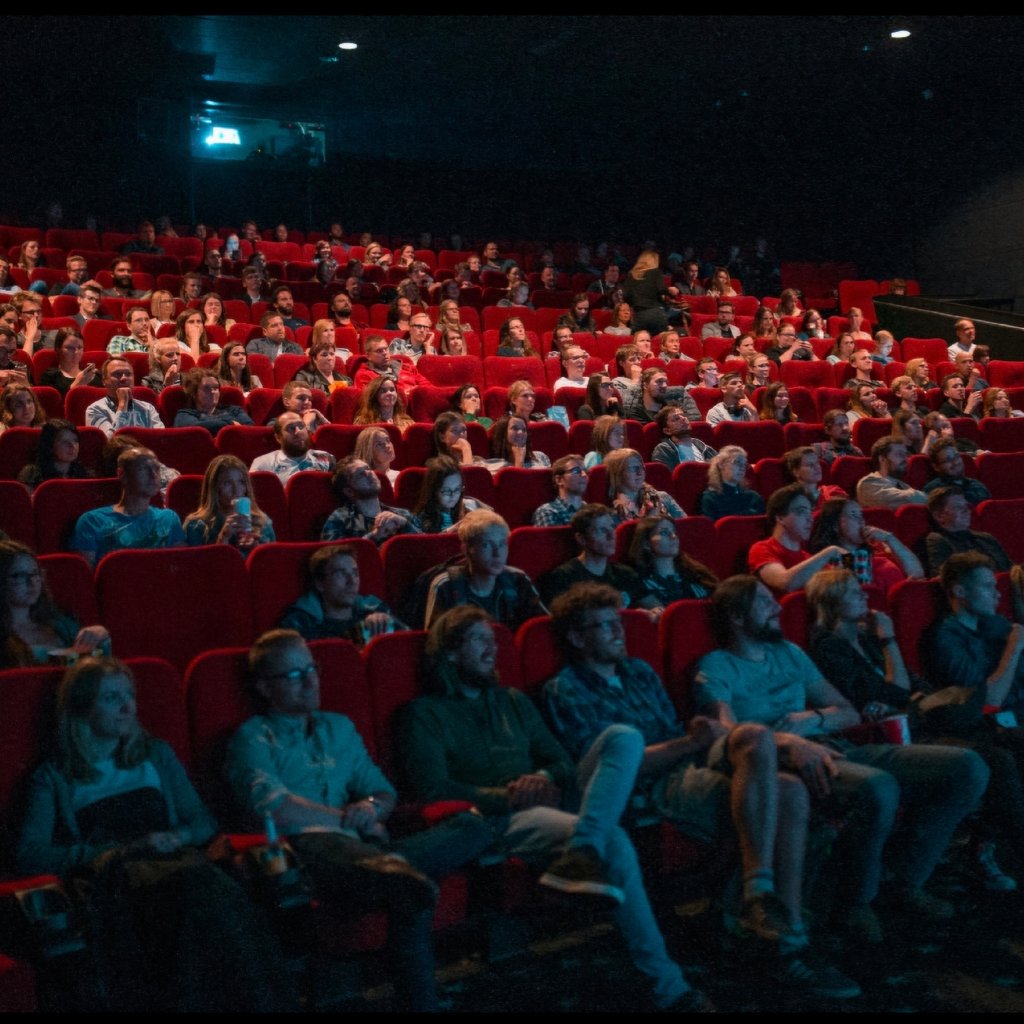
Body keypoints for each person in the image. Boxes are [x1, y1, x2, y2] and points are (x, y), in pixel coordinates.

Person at [542, 583, 861, 999]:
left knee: (756, 738)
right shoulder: (565, 689)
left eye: (617, 622)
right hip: (651, 784)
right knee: (791, 794)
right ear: (576, 637)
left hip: (688, 762)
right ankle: (787, 942)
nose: (618, 632)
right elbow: (611, 770)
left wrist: (696, 742)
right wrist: (690, 743)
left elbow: (681, 736)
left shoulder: (638, 672)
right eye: (603, 626)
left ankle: (758, 896)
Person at [398, 605, 712, 1011]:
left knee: (624, 737)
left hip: (554, 797)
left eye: (493, 639)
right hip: (500, 817)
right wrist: (507, 795)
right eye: (479, 640)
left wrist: (543, 779)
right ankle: (671, 989)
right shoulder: (423, 714)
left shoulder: (511, 699)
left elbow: (562, 762)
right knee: (613, 839)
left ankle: (582, 850)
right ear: (450, 652)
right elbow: (434, 787)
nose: (492, 648)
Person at [694, 575, 989, 941]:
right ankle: (856, 904)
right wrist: (787, 740)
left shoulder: (791, 653)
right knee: (878, 788)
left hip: (836, 742)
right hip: (787, 762)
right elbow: (728, 733)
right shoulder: (717, 665)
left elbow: (847, 712)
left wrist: (812, 718)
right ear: (737, 617)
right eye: (764, 602)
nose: (777, 607)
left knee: (966, 767)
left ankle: (902, 878)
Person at [226, 630, 491, 1012]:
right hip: (307, 850)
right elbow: (273, 807)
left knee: (472, 825)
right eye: (295, 675)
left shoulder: (339, 727)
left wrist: (369, 809)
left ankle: (395, 869)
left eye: (312, 669)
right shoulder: (253, 737)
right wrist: (346, 821)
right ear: (266, 687)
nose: (311, 681)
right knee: (405, 887)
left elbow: (382, 792)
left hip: (364, 849)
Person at [17, 656, 292, 1012]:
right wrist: (109, 851)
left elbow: (202, 822)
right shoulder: (54, 776)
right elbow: (30, 853)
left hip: (177, 863)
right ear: (82, 707)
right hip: (119, 879)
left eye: (130, 695)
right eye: (112, 698)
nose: (128, 706)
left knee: (207, 895)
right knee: (200, 895)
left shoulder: (154, 754)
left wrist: (178, 836)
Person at [807, 566, 1021, 894]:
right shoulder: (830, 646)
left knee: (1009, 742)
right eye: (853, 591)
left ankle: (979, 847)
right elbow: (895, 692)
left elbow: (906, 685)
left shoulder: (866, 638)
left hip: (918, 721)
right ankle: (973, 856)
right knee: (996, 760)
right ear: (832, 602)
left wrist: (907, 690)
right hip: (892, 734)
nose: (864, 593)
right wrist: (890, 639)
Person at [423, 510, 545, 630]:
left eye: (502, 544)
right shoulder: (446, 586)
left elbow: (541, 628)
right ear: (466, 549)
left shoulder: (518, 580)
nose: (497, 553)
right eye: (487, 544)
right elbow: (435, 642)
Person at [70, 446, 185, 567]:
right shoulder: (92, 522)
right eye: (143, 469)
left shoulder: (169, 518)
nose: (153, 475)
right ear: (122, 474)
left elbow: (181, 569)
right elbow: (85, 577)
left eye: (156, 469)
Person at [0, 541, 109, 667]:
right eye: (18, 575)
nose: (31, 582)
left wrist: (100, 635)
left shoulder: (61, 623)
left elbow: (96, 667)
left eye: (35, 573)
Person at [278, 545, 404, 642]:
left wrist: (387, 621)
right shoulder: (300, 625)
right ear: (320, 584)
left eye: (355, 573)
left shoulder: (375, 613)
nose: (351, 581)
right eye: (340, 573)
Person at [538, 504, 652, 611]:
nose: (611, 535)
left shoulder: (625, 573)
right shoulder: (563, 577)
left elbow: (654, 607)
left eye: (612, 528)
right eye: (601, 530)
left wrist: (652, 612)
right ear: (581, 539)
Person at [809, 497, 923, 592]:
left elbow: (917, 573)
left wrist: (890, 538)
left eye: (861, 516)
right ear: (835, 525)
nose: (861, 521)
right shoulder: (828, 561)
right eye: (854, 516)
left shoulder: (878, 547)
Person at [747, 484, 846, 594]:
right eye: (802, 511)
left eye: (810, 513)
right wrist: (829, 552)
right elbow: (784, 582)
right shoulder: (762, 549)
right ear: (780, 517)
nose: (810, 519)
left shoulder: (808, 558)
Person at [182, 454, 275, 552]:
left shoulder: (261, 522)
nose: (236, 489)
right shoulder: (196, 525)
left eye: (241, 482)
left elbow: (272, 563)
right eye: (227, 483)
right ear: (215, 488)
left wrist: (256, 549)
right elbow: (199, 565)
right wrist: (223, 537)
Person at [321, 455, 419, 545]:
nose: (369, 473)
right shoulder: (340, 519)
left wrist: (406, 524)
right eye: (360, 474)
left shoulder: (402, 515)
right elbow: (334, 557)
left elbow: (428, 547)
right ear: (349, 491)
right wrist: (374, 536)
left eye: (368, 468)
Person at [626, 516, 719, 603]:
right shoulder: (640, 583)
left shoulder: (695, 574)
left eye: (674, 532)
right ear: (646, 544)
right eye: (664, 533)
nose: (673, 537)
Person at [922, 488, 1012, 576]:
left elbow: (1011, 570)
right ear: (939, 516)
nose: (966, 510)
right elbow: (945, 578)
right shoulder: (938, 539)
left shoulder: (986, 537)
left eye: (966, 506)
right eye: (958, 507)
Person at [85, 357, 163, 438]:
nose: (124, 378)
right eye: (117, 374)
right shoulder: (95, 409)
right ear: (104, 381)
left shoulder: (148, 408)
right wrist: (122, 406)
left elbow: (161, 439)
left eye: (128, 374)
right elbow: (110, 442)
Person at [249, 413, 335, 484]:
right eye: (290, 428)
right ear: (278, 438)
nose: (298, 431)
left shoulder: (326, 457)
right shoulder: (263, 464)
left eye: (301, 426)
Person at [412, 455, 489, 533]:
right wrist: (451, 530)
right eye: (446, 491)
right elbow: (428, 542)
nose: (453, 496)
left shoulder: (467, 507)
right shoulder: (423, 518)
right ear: (434, 490)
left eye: (457, 489)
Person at [604, 448, 683, 522]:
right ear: (618, 473)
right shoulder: (613, 513)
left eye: (641, 467)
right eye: (633, 468)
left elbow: (685, 527)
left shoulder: (662, 497)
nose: (639, 473)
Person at [17, 419, 92, 492]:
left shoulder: (84, 473)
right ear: (50, 445)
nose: (72, 446)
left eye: (75, 440)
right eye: (64, 441)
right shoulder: (31, 474)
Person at [173, 367, 253, 436]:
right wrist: (230, 424)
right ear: (194, 393)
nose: (212, 392)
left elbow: (250, 427)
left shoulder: (235, 410)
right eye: (206, 388)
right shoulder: (184, 415)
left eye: (215, 388)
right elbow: (198, 429)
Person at [856, 436, 927, 510]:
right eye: (899, 454)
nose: (905, 459)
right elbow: (908, 498)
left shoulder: (902, 485)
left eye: (906, 454)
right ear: (882, 459)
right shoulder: (868, 483)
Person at [621, 249, 680, 335]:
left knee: (639, 341)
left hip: (639, 314)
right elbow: (661, 289)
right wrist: (670, 290)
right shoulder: (655, 272)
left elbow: (626, 297)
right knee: (660, 342)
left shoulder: (631, 274)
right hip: (656, 313)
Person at [699, 446, 765, 521]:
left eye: (744, 464)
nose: (742, 468)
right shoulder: (710, 499)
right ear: (721, 465)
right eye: (737, 462)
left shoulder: (754, 498)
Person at [352, 334, 430, 398]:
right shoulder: (363, 375)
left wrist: (418, 391)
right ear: (368, 356)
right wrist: (403, 394)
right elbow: (369, 400)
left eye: (386, 349)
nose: (385, 353)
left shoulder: (406, 367)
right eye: (379, 351)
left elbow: (427, 386)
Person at [921, 438, 991, 506]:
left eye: (956, 456)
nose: (955, 462)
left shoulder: (978, 486)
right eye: (947, 460)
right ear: (936, 467)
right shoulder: (932, 490)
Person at [780, 446, 846, 511]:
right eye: (810, 465)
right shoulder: (790, 498)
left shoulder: (834, 491)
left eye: (817, 463)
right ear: (796, 472)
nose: (817, 467)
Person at [532, 454, 592, 527]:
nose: (584, 475)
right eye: (576, 471)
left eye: (586, 471)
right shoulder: (547, 512)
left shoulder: (592, 511)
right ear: (559, 480)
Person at [39, 328, 100, 396]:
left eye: (79, 347)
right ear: (58, 349)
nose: (76, 352)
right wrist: (77, 384)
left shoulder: (94, 375)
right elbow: (53, 405)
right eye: (70, 348)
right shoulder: (50, 377)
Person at [651, 405, 716, 467]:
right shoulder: (663, 450)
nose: (683, 419)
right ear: (667, 431)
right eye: (676, 419)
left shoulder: (702, 446)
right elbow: (666, 476)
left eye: (684, 416)